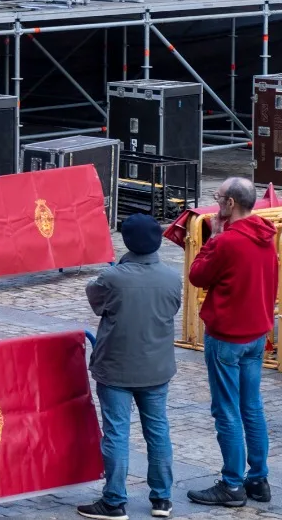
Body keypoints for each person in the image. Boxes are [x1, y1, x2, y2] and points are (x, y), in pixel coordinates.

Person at [79, 214, 181, 520]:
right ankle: (162, 498)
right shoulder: (172, 277)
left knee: (116, 433)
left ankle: (114, 500)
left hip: (117, 368)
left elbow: (96, 299)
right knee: (158, 430)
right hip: (156, 367)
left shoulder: (114, 278)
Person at [187, 177, 278, 508]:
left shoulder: (227, 242)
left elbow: (198, 275)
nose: (215, 202)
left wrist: (214, 238)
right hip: (256, 334)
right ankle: (258, 479)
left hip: (228, 336)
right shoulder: (267, 234)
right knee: (251, 407)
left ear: (230, 205)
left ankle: (232, 485)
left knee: (226, 410)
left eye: (218, 197)